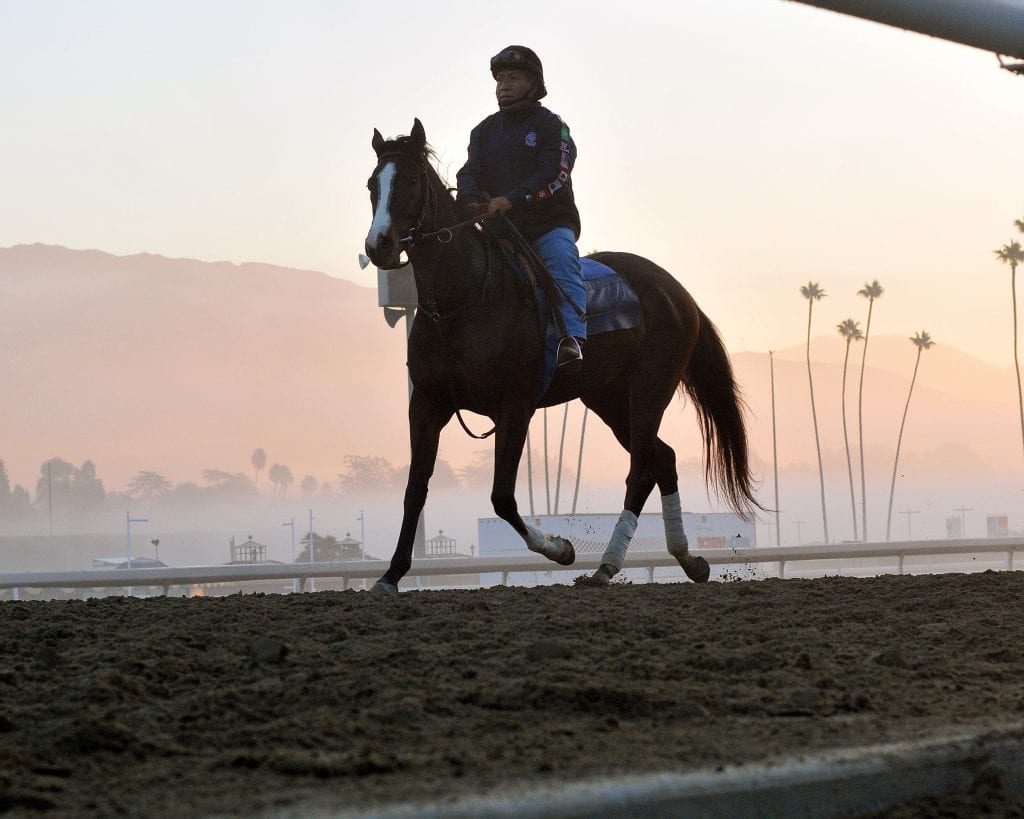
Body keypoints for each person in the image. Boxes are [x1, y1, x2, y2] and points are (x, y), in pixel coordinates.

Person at [456, 45, 585, 366]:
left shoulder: (553, 126)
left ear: (534, 84)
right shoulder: (483, 131)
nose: (504, 85)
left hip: (548, 226)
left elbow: (556, 172)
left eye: (513, 77)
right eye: (499, 79)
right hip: (499, 230)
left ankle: (571, 337)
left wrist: (511, 199)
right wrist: (469, 199)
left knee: (561, 260)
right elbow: (469, 171)